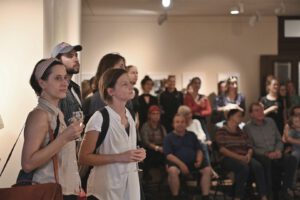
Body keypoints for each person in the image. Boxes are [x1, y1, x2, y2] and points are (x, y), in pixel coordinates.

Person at [78, 68, 146, 200]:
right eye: (124, 84)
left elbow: (127, 150)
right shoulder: (99, 117)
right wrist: (120, 157)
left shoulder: (131, 116)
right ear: (110, 91)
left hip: (130, 188)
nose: (131, 86)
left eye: (129, 83)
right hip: (105, 191)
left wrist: (139, 154)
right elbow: (83, 157)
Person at [22, 58, 84, 200]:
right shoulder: (39, 115)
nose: (64, 83)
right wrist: (64, 138)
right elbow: (27, 163)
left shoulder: (56, 113)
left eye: (65, 78)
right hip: (49, 191)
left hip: (63, 191)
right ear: (42, 83)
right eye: (57, 78)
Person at [243, 102, 297, 200]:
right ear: (251, 114)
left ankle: (284, 191)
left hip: (276, 152)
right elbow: (251, 147)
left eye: (261, 110)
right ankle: (269, 194)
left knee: (292, 159)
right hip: (261, 155)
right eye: (256, 110)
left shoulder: (271, 121)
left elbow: (278, 139)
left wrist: (278, 151)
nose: (260, 112)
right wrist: (266, 154)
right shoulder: (247, 128)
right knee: (267, 162)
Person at [215, 109, 268, 200]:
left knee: (258, 166)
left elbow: (249, 146)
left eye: (241, 116)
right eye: (238, 116)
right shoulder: (221, 131)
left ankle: (263, 195)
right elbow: (222, 150)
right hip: (228, 157)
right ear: (231, 117)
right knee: (243, 168)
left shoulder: (241, 132)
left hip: (244, 156)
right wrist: (239, 157)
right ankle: (237, 197)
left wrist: (248, 155)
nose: (241, 118)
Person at [163, 114, 212, 200]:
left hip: (193, 162)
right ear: (173, 124)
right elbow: (168, 155)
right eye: (177, 122)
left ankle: (205, 196)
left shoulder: (192, 135)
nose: (180, 124)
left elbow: (199, 149)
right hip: (177, 163)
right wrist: (181, 165)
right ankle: (175, 196)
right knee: (172, 170)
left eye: (182, 122)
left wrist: (199, 159)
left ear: (186, 124)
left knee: (207, 169)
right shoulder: (168, 137)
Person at [51, 42, 83, 126]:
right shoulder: (55, 89)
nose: (76, 59)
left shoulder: (75, 88)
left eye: (76, 55)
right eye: (70, 56)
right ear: (58, 61)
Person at [87, 53, 126, 119]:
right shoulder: (100, 97)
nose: (124, 70)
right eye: (121, 66)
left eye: (124, 66)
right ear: (109, 69)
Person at [140, 105, 166, 180]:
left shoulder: (162, 127)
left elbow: (166, 139)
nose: (156, 116)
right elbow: (146, 142)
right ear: (149, 115)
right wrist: (157, 148)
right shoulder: (145, 126)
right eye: (153, 114)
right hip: (149, 150)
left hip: (161, 148)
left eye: (158, 114)